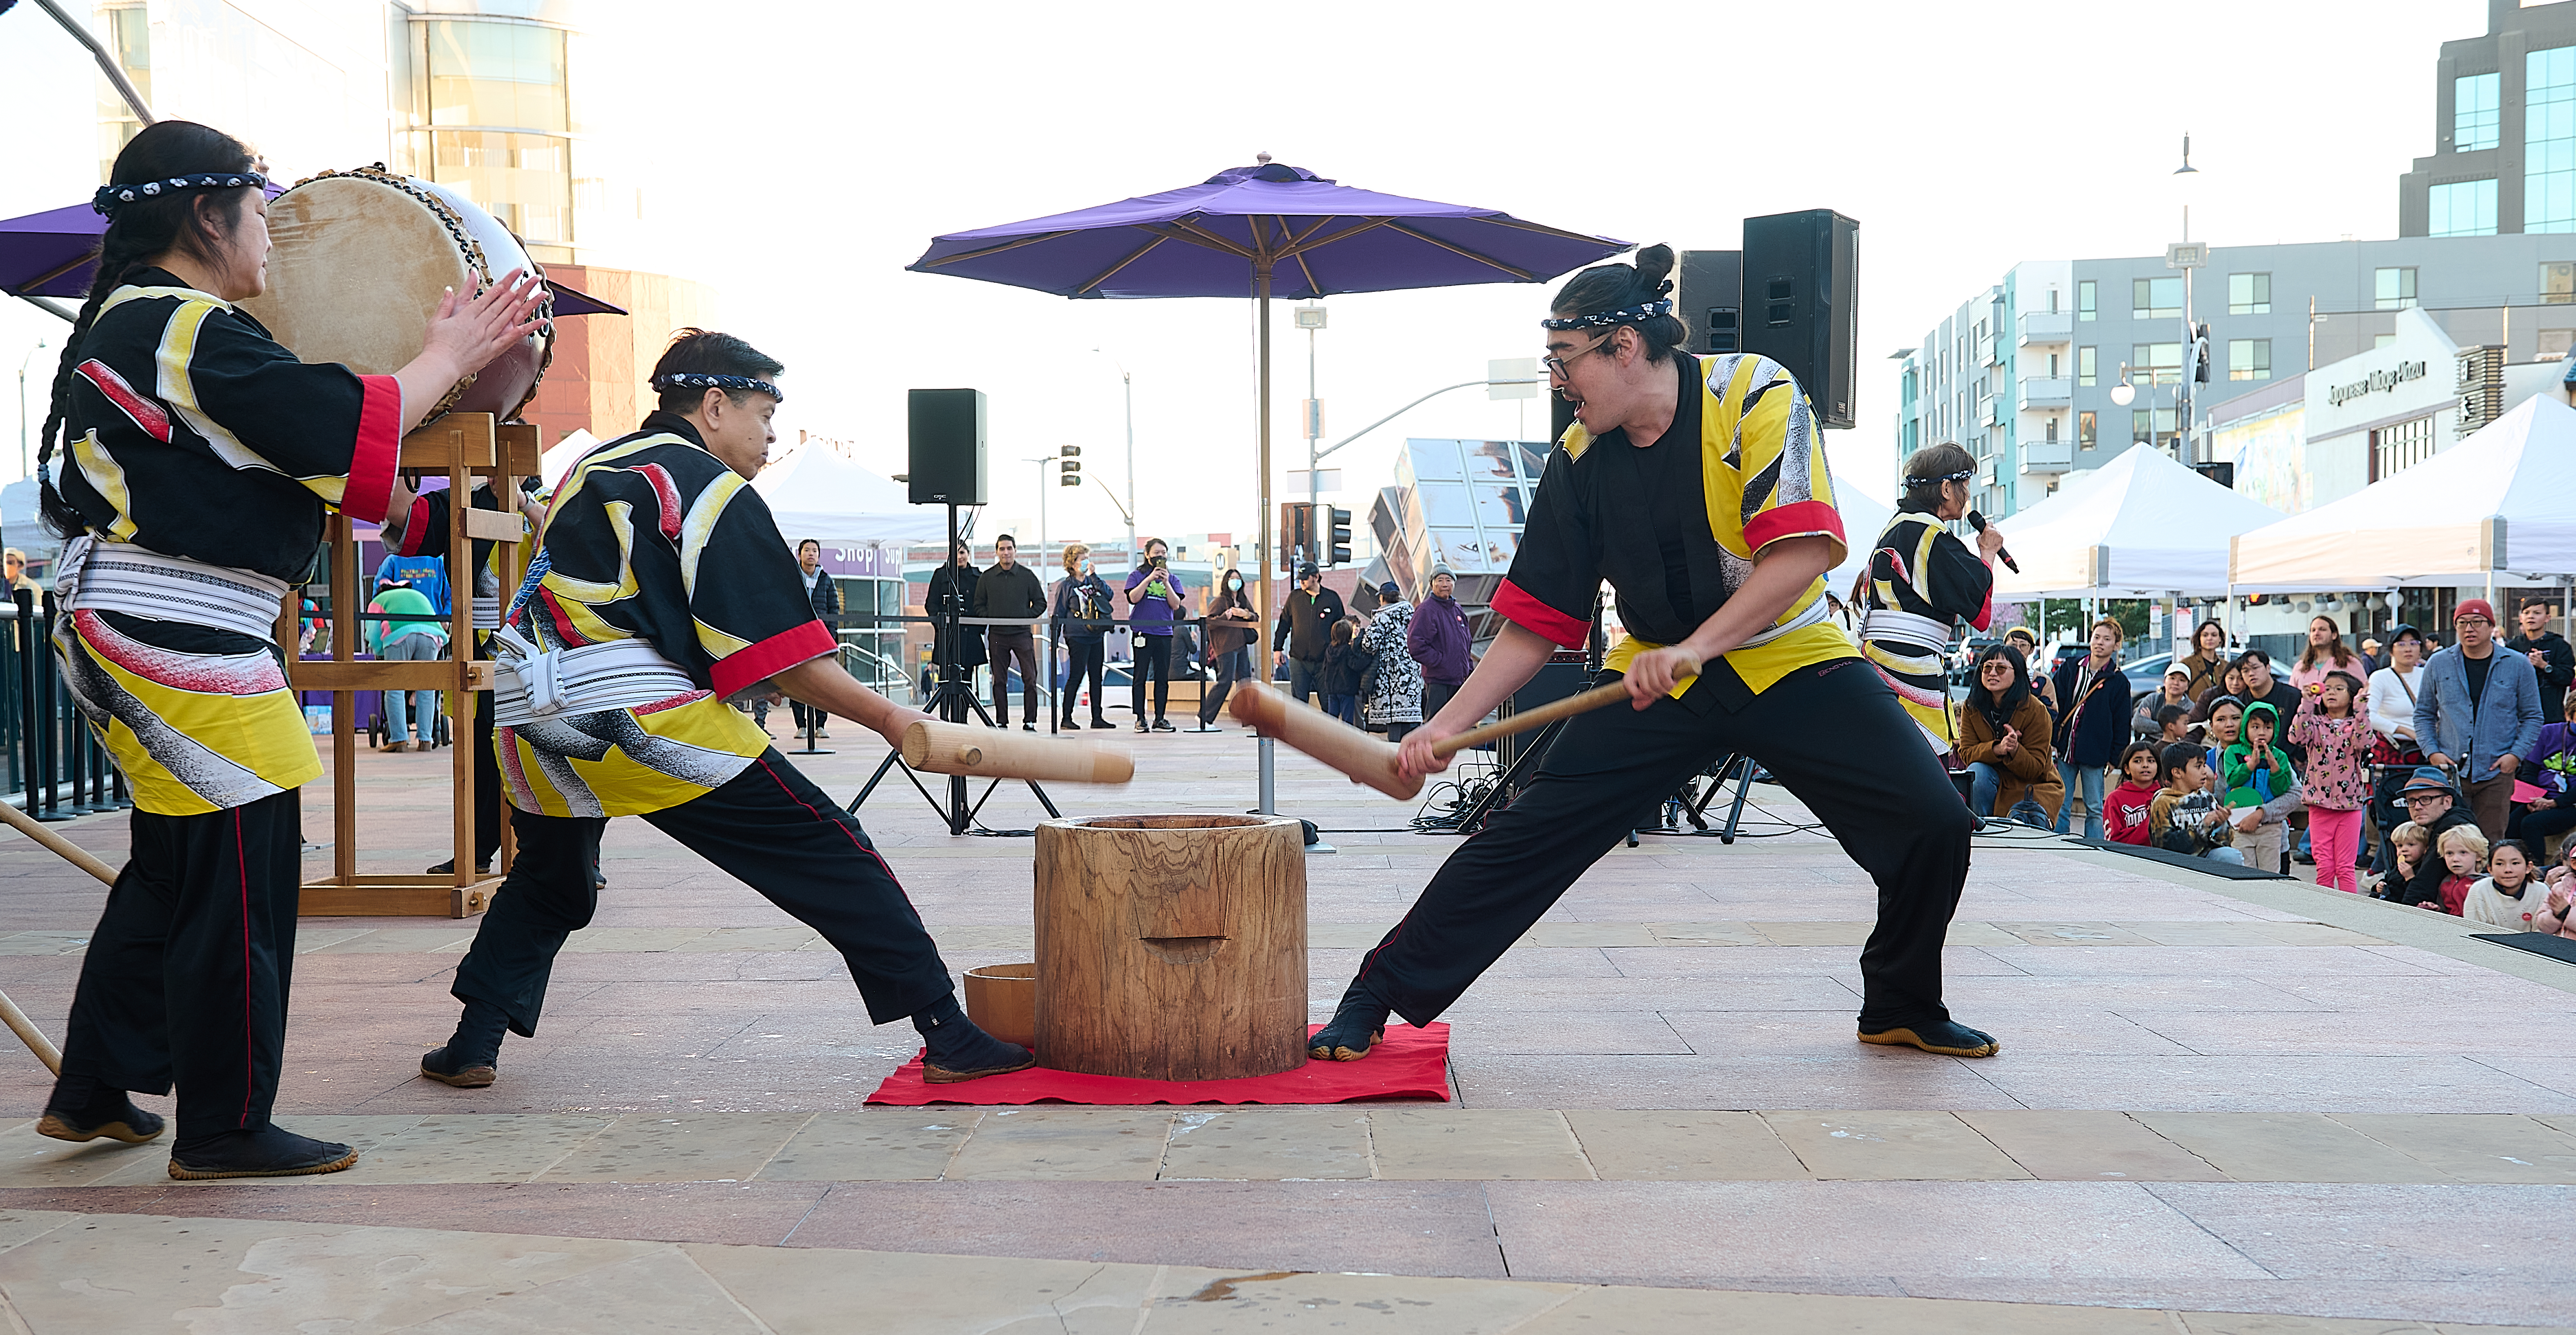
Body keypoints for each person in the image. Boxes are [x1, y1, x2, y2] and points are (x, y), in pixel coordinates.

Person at [1308, 244, 1998, 1064]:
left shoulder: (1754, 393)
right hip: (1656, 677)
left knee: (1933, 823)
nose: (1557, 381)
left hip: (1791, 657)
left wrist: (1699, 648)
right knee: (1523, 836)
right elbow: (1536, 620)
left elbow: (1804, 553)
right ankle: (1374, 994)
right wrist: (1446, 728)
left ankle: (1902, 1003)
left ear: (1624, 348)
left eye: (1565, 362)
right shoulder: (1578, 457)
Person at [34, 120, 542, 1179]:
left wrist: (384, 482)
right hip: (175, 633)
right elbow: (320, 416)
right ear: (207, 217)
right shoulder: (180, 323)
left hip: (145, 622)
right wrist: (447, 351)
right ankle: (223, 1126)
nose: (276, 237)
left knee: (176, 871)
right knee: (243, 876)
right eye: (262, 213)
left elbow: (288, 457)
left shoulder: (151, 329)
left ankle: (95, 1085)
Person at [420, 328, 1030, 1093]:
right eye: (763, 416)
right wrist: (889, 719)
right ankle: (947, 1033)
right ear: (714, 405)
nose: (770, 438)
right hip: (632, 718)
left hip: (523, 718)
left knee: (550, 880)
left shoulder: (590, 466)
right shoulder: (708, 488)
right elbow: (790, 663)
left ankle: (473, 1041)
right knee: (832, 852)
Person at [1854, 441, 2001, 751]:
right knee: (1923, 770)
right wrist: (1987, 553)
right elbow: (1981, 615)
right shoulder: (1930, 535)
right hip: (1912, 665)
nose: (1968, 495)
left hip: (1879, 659)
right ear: (1946, 488)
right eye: (1965, 485)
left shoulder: (1894, 527)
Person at [2415, 598, 2544, 840]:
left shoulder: (2517, 664)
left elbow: (2533, 716)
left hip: (2496, 769)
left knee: (2490, 839)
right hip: (2450, 768)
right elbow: (2423, 713)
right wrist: (2432, 751)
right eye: (2462, 623)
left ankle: (2485, 879)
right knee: (2447, 840)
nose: (2469, 629)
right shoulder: (2438, 663)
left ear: (2491, 626)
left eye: (2477, 622)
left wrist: (2515, 755)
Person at [1955, 644, 2060, 827]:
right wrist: (1998, 749)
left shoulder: (2036, 710)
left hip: (2033, 785)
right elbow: (1967, 753)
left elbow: (2036, 767)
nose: (1993, 673)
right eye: (1987, 668)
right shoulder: (1972, 707)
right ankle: (1983, 830)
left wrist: (2015, 750)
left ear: (2017, 673)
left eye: (2001, 668)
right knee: (1976, 772)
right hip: (1991, 779)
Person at [2289, 673, 2372, 893]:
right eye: (2328, 688)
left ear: (2352, 695)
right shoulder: (2315, 723)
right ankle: (2324, 913)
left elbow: (2365, 740)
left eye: (2339, 689)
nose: (2332, 692)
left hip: (2350, 806)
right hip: (2319, 804)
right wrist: (2307, 702)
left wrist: (2361, 709)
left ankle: (2350, 917)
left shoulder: (2356, 724)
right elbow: (2296, 736)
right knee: (2324, 866)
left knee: (2345, 867)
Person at [2050, 619, 2132, 839]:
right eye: (2097, 637)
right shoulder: (2070, 668)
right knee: (2062, 803)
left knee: (2095, 808)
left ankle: (2095, 849)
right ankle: (2059, 845)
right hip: (2066, 747)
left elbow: (2122, 723)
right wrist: (2053, 740)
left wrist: (2116, 758)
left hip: (2096, 751)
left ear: (2116, 645)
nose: (2100, 643)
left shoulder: (2118, 681)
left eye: (2107, 639)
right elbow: (2055, 704)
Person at [2366, 624, 2431, 872]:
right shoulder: (2381, 677)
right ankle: (2388, 864)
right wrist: (2404, 730)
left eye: (2413, 643)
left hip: (2423, 751)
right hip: (2392, 750)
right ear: (2391, 648)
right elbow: (2369, 716)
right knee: (2389, 808)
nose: (2408, 649)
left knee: (2423, 807)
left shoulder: (2427, 674)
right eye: (2401, 644)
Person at [365, 577, 447, 754]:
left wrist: (380, 651)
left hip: (398, 635)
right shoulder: (418, 595)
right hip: (431, 635)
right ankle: (426, 740)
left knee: (395, 689)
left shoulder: (378, 601)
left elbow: (372, 633)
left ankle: (399, 739)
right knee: (426, 689)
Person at [972, 534, 1045, 731]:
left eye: (1009, 548)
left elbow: (1041, 603)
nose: (1006, 553)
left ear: (1015, 550)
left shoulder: (1027, 576)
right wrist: (992, 617)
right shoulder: (987, 578)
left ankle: (1030, 720)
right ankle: (1001, 721)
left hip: (1022, 634)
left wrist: (1025, 616)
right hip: (997, 635)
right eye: (1002, 549)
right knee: (999, 680)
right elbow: (978, 605)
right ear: (997, 552)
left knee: (1030, 678)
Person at [2221, 701, 2304, 875]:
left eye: (2267, 728)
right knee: (2244, 871)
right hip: (2240, 822)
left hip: (2271, 825)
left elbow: (2282, 790)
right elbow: (2233, 780)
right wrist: (2251, 765)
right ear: (2245, 728)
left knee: (2270, 873)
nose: (2261, 733)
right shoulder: (2233, 752)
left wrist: (2275, 769)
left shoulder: (2280, 756)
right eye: (2255, 727)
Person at [2383, 766, 2481, 907]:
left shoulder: (2451, 827)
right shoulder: (2439, 823)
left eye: (2426, 799)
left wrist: (2404, 914)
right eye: (2411, 801)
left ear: (2447, 802)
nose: (2417, 807)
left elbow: (2427, 880)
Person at [1123, 538, 1184, 732]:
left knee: (1162, 677)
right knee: (1140, 676)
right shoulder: (1136, 576)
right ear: (1148, 555)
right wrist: (1149, 579)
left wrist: (1166, 582)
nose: (1161, 556)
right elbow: (1133, 598)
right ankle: (1140, 718)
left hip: (1164, 633)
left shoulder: (1173, 579)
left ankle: (1160, 718)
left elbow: (1176, 605)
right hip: (1143, 632)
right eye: (1157, 553)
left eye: (1164, 553)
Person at [1050, 543, 1114, 729]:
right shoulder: (1067, 586)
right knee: (1077, 675)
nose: (1085, 561)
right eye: (1081, 558)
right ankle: (1066, 718)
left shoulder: (1093, 582)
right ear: (1072, 562)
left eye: (1087, 557)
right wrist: (1055, 640)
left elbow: (1108, 595)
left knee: (1096, 677)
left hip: (1096, 635)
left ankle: (1097, 717)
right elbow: (1059, 613)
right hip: (1077, 635)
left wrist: (1094, 576)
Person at [2149, 743, 2245, 865]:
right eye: (2198, 767)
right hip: (2177, 863)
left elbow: (2225, 842)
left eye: (2204, 766)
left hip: (2206, 858)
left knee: (2231, 855)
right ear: (2178, 773)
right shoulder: (2164, 802)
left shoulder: (2207, 798)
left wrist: (2221, 825)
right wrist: (2204, 826)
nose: (2205, 772)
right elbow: (2163, 844)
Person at [787, 539, 843, 739]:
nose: (811, 554)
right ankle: (801, 726)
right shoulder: (792, 578)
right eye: (807, 550)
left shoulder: (826, 580)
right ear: (799, 554)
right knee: (798, 681)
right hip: (798, 637)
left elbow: (834, 609)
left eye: (815, 551)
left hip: (821, 638)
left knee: (823, 683)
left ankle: (820, 726)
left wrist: (831, 634)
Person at [2510, 694, 2576, 852]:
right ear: (2568, 715)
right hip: (2540, 797)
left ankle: (2537, 871)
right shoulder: (2547, 733)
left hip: (2570, 803)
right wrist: (2533, 800)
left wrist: (2556, 803)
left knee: (2532, 824)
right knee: (2512, 822)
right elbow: (2530, 771)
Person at [1272, 562, 1344, 707]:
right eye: (1300, 578)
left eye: (1305, 578)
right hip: (1299, 659)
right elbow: (1284, 624)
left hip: (1325, 660)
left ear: (1316, 577)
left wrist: (1338, 653)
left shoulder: (1332, 598)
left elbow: (1341, 628)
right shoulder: (1295, 598)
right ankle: (1300, 730)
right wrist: (1277, 649)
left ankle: (1326, 730)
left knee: (1327, 703)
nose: (1301, 582)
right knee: (1299, 704)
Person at [1362, 580, 1424, 744]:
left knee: (1394, 725)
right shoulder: (1411, 614)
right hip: (1410, 673)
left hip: (1390, 677)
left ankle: (1396, 758)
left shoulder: (1381, 617)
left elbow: (1369, 645)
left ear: (1382, 598)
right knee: (1409, 722)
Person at [1197, 567, 1260, 729]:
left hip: (1241, 646)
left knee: (1245, 683)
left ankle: (1249, 720)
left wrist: (1245, 614)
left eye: (1238, 578)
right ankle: (1205, 717)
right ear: (1226, 582)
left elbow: (1255, 617)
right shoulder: (1220, 601)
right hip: (1225, 647)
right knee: (1225, 681)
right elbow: (1210, 623)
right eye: (1232, 579)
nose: (1235, 582)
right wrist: (1226, 616)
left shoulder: (1244, 601)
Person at [1407, 565, 1472, 721]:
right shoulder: (1426, 610)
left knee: (1456, 722)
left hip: (1459, 679)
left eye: (1449, 580)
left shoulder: (1457, 610)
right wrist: (1440, 662)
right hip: (1439, 680)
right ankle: (1433, 747)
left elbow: (1467, 643)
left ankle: (1451, 747)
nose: (1445, 584)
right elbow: (1416, 644)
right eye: (1440, 580)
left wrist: (1468, 669)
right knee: (1436, 722)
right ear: (1432, 585)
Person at [923, 539, 984, 702]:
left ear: (968, 554)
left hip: (970, 637)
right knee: (946, 680)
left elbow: (983, 605)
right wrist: (941, 628)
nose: (959, 557)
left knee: (967, 682)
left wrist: (978, 627)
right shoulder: (941, 575)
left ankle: (962, 722)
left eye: (962, 552)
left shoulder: (978, 577)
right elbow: (931, 604)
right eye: (956, 553)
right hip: (947, 638)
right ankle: (946, 719)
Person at [2506, 599, 2575, 725]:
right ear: (2521, 618)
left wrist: (2544, 666)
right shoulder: (2513, 647)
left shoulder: (2560, 646)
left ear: (2547, 618)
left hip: (2550, 717)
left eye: (2537, 613)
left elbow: (2567, 678)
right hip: (2518, 719)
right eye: (2527, 613)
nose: (2531, 617)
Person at [2465, 838, 2547, 930]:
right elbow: (2473, 932)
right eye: (2500, 864)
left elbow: (2542, 936)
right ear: (2490, 869)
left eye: (2515, 863)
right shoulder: (2479, 891)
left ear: (2528, 867)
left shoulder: (2541, 892)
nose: (2508, 870)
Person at [2104, 741, 2163, 846]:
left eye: (2151, 761)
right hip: (2128, 858)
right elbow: (2115, 841)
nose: (2145, 765)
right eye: (2138, 761)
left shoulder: (2166, 796)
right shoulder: (2115, 799)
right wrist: (2152, 824)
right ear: (2127, 769)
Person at [2426, 824, 2489, 915]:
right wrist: (2436, 910)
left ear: (2479, 855)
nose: (2455, 859)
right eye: (2449, 853)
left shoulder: (2484, 884)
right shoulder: (2446, 882)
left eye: (2463, 853)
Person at [2289, 615, 2365, 691]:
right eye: (2313, 630)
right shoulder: (2300, 667)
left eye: (2322, 630)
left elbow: (2364, 693)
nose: (2317, 633)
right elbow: (2292, 698)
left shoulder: (2350, 663)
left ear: (2334, 635)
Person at [2003, 626, 2061, 716]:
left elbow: (2052, 713)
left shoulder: (2043, 681)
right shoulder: (1996, 676)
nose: (2018, 650)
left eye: (2023, 645)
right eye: (2013, 646)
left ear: (2032, 650)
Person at [1321, 617, 1368, 726]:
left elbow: (1324, 667)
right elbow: (1356, 665)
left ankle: (1330, 740)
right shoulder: (1348, 650)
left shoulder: (1329, 650)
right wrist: (1368, 658)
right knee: (1347, 722)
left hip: (1332, 689)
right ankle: (1347, 742)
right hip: (1347, 690)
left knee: (1332, 719)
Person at [2133, 664, 2194, 739]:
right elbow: (2138, 723)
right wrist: (2172, 729)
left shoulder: (2191, 708)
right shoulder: (2152, 700)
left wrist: (2150, 724)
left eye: (2182, 680)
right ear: (2165, 682)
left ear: (2187, 686)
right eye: (2172, 678)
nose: (2176, 683)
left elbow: (2185, 734)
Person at [2178, 618, 2232, 701]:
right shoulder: (2187, 664)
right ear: (2199, 638)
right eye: (2205, 635)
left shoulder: (2226, 666)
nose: (2210, 638)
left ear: (2220, 639)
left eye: (2214, 635)